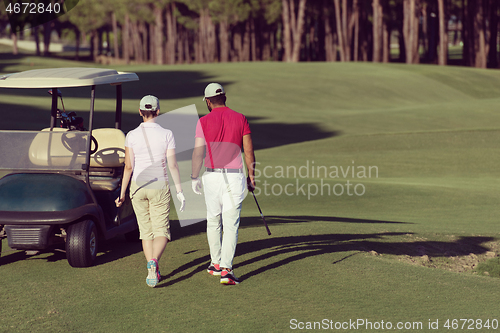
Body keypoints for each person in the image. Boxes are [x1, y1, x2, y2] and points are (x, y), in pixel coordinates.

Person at [116, 95, 185, 288]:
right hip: (159, 186)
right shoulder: (167, 134)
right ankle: (154, 262)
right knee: (161, 231)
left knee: (146, 232)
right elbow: (172, 164)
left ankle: (151, 270)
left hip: (137, 187)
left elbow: (128, 167)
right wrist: (179, 190)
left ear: (140, 112)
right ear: (158, 111)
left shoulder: (131, 135)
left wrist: (121, 194)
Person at [191, 83, 256, 285]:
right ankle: (226, 269)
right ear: (225, 97)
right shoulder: (240, 118)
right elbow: (248, 152)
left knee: (213, 220)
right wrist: (251, 176)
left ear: (208, 102)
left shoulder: (203, 121)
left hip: (211, 176)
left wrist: (194, 176)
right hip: (235, 176)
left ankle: (216, 264)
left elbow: (198, 153)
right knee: (231, 224)